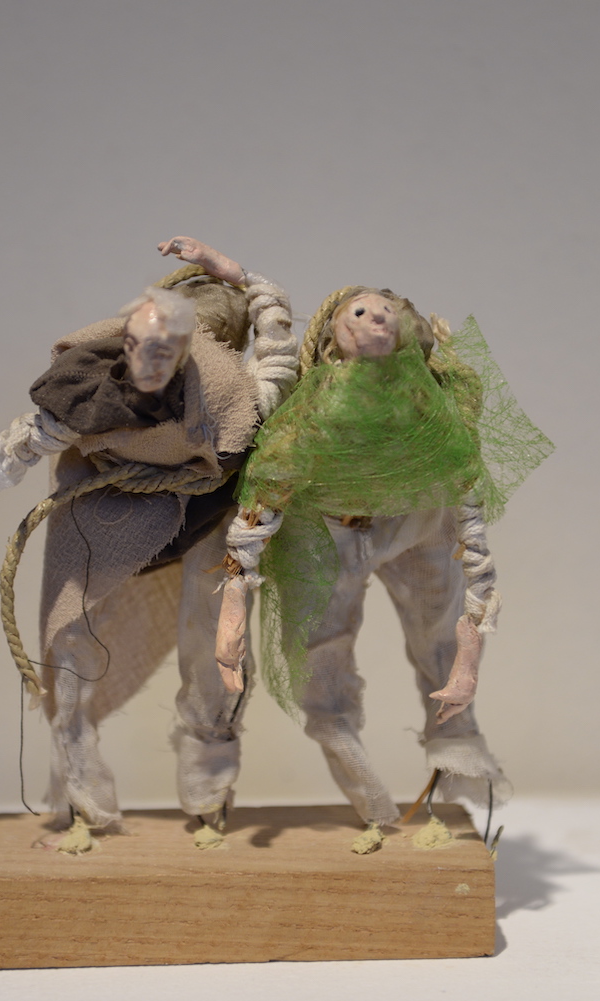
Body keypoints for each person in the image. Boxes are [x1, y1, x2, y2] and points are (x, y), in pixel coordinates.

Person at [0, 237, 295, 845]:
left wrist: (239, 275)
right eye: (137, 345)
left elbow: (278, 344)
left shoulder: (235, 396)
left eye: (168, 349)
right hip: (99, 508)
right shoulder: (87, 383)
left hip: (207, 513)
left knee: (216, 647)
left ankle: (210, 795)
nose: (148, 362)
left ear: (196, 347)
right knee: (68, 638)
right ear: (125, 338)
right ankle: (82, 799)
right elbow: (25, 441)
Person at [214, 287, 551, 851]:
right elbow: (263, 500)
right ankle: (368, 796)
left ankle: (458, 750)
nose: (375, 320)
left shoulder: (429, 409)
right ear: (333, 336)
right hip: (325, 531)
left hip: (417, 520)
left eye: (385, 313)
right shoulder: (310, 412)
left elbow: (472, 529)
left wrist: (468, 654)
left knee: (438, 634)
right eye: (360, 312)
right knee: (320, 658)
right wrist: (233, 601)